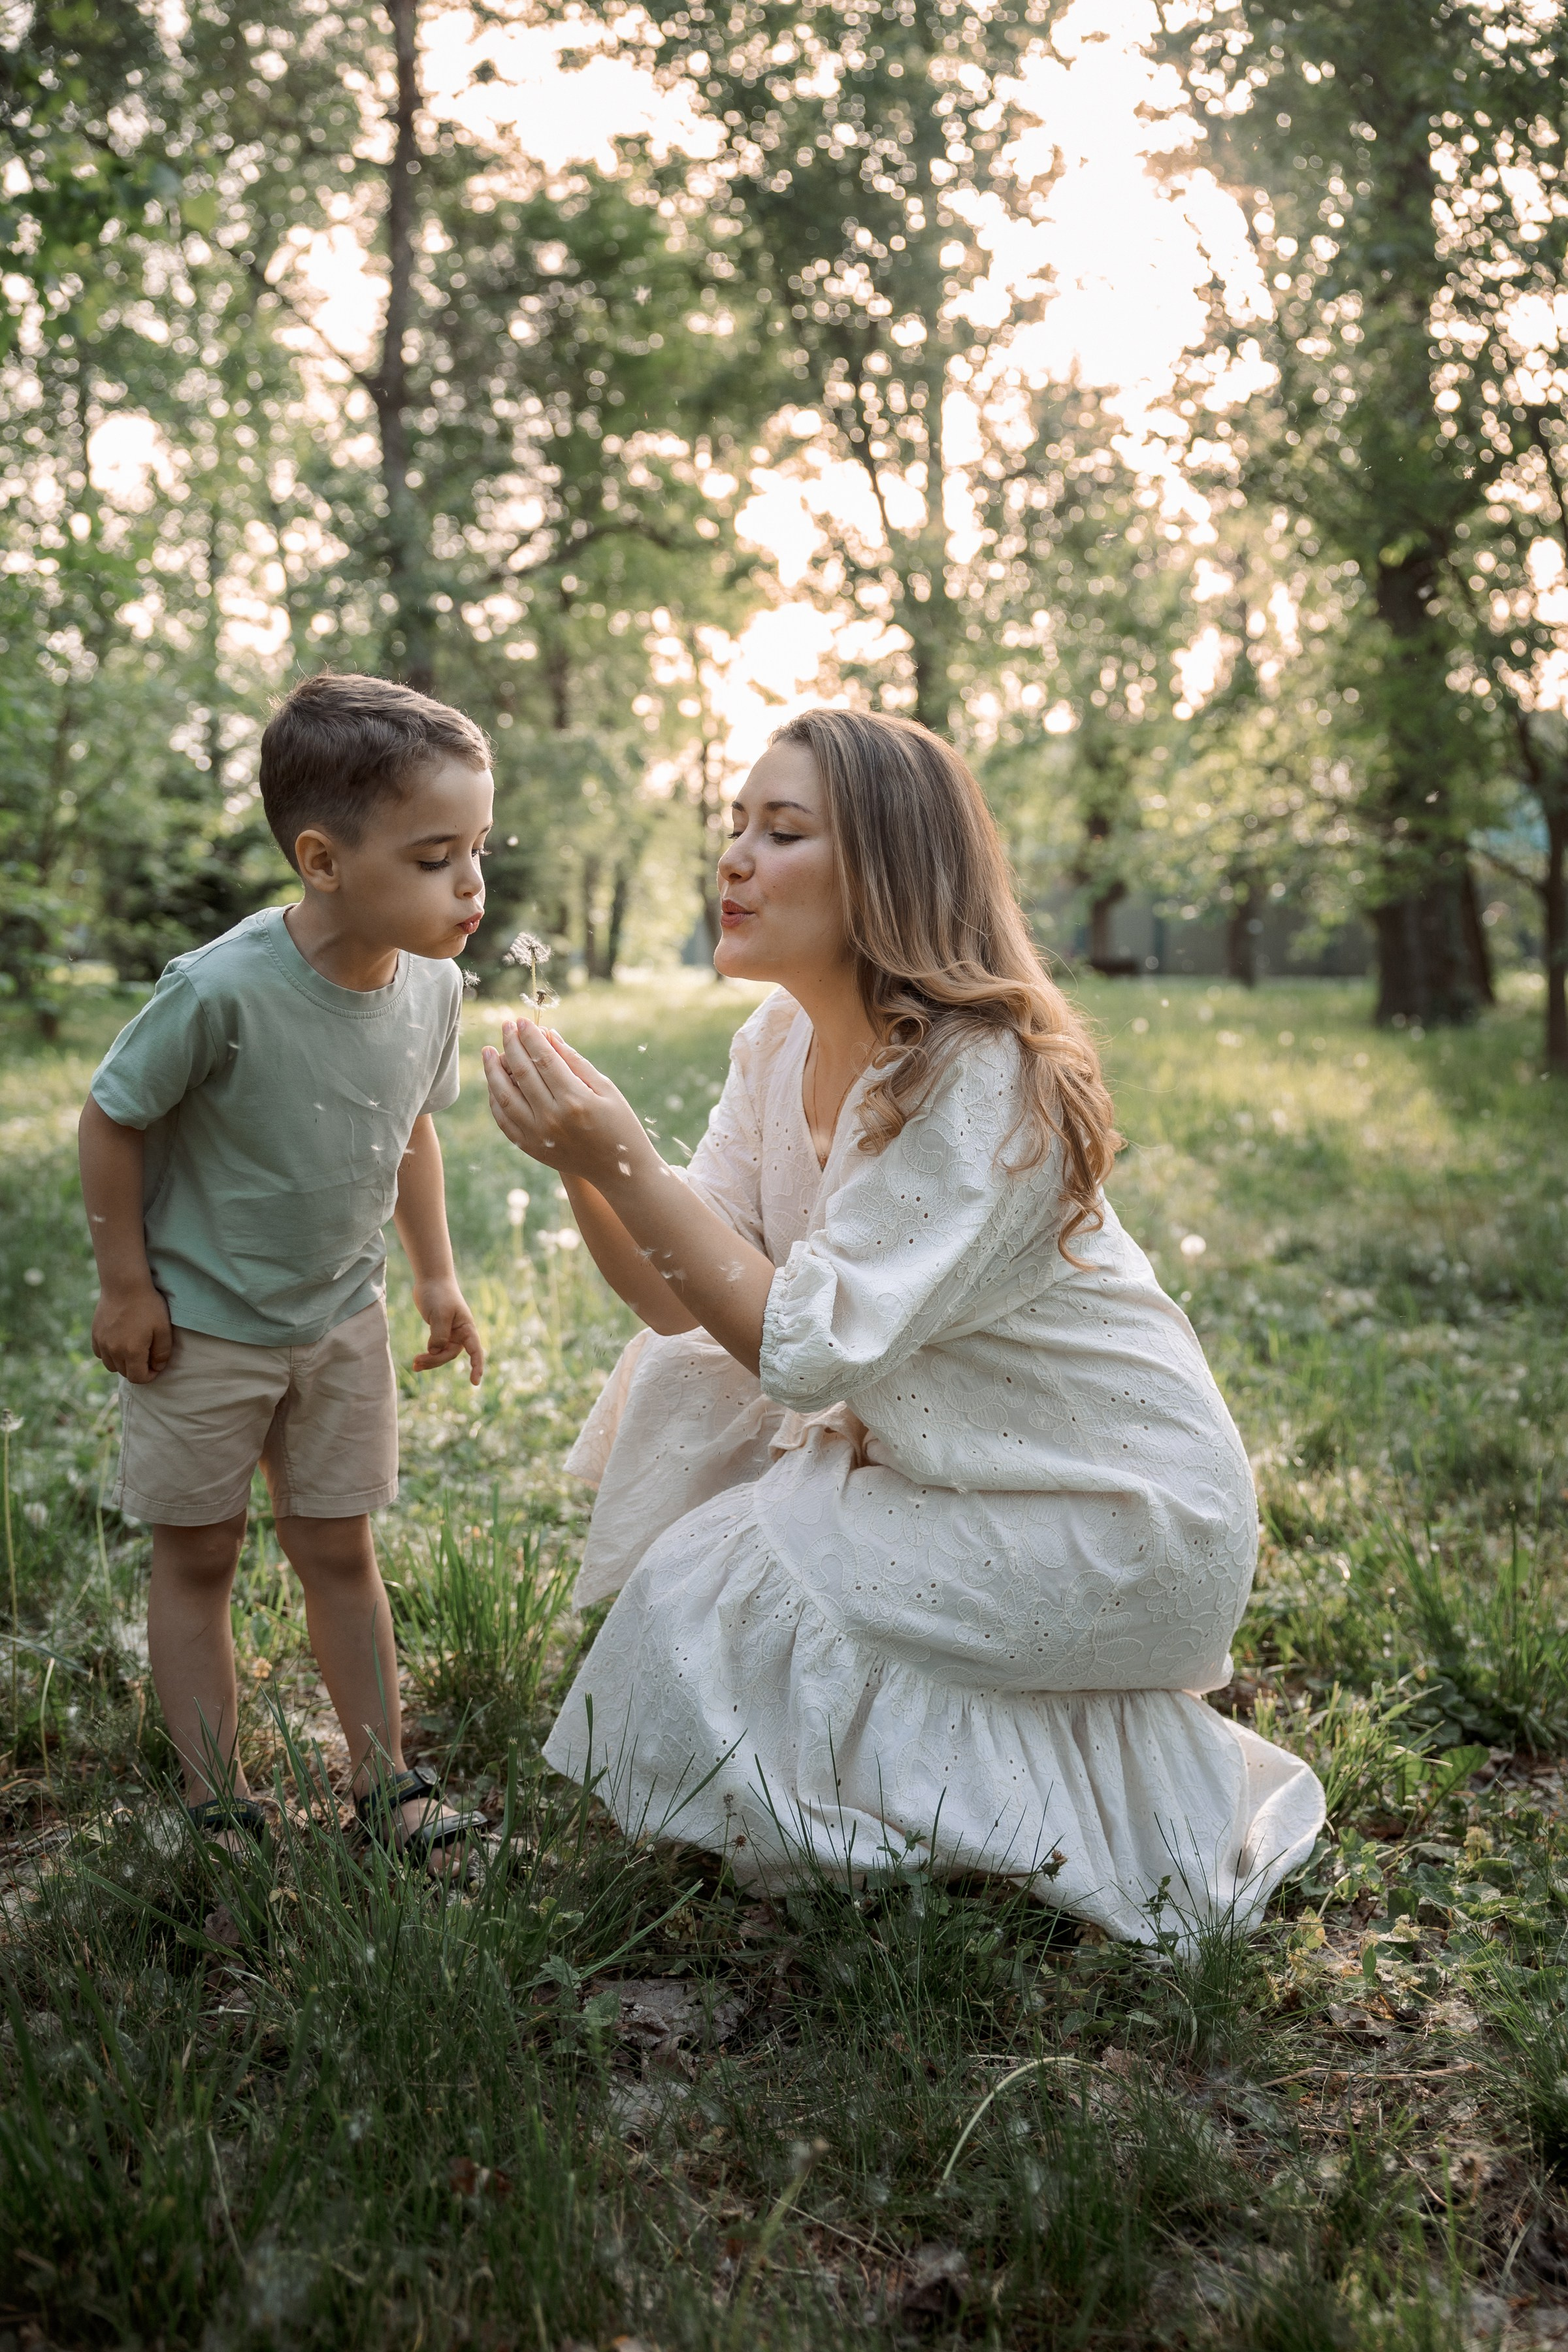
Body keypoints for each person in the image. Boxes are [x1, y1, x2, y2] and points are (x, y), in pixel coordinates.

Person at [482, 710, 1324, 1942]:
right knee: (703, 1480)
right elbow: (677, 1295)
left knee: (729, 1582)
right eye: (734, 827)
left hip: (1118, 1511)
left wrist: (618, 1149)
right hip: (956, 1470)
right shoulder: (777, 1040)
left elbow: (802, 1346)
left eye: (782, 832)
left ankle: (953, 1837)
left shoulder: (980, 1073)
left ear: (888, 869)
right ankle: (946, 1816)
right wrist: (584, 1163)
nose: (733, 859)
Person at [80, 672, 491, 1871]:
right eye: (432, 858)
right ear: (322, 860)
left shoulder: (436, 985)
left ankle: (386, 1784)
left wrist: (434, 1278)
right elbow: (112, 1117)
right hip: (201, 1328)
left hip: (339, 1320)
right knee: (199, 1554)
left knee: (338, 1550)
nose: (470, 885)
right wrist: (125, 1286)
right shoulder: (219, 989)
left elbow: (410, 1124)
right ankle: (220, 1806)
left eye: (476, 849)